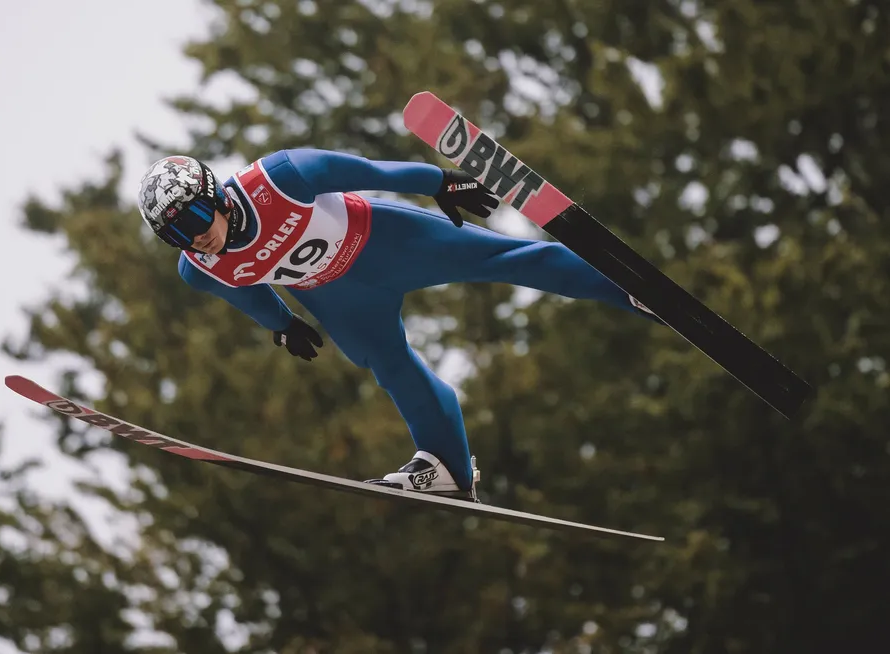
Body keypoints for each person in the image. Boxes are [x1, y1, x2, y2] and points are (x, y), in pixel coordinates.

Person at [136, 149, 658, 502]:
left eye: (195, 220)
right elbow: (244, 290)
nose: (194, 238)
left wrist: (439, 181)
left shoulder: (279, 177)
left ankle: (627, 289)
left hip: (387, 242)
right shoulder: (199, 268)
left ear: (215, 196)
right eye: (175, 233)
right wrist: (282, 325)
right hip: (337, 296)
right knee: (390, 366)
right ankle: (447, 467)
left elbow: (371, 170)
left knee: (507, 259)